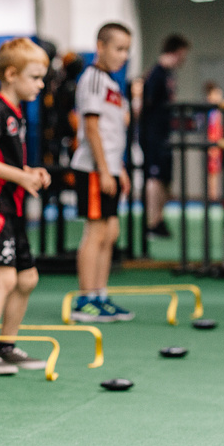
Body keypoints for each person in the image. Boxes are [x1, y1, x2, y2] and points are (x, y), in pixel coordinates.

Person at [0, 37, 51, 375]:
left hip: (10, 206)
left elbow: (5, 160)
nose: (41, 85)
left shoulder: (17, 114)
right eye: (35, 77)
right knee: (4, 280)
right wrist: (19, 176)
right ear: (11, 74)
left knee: (27, 279)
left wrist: (29, 173)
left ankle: (7, 345)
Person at [69, 22, 135, 323]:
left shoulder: (111, 83)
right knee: (95, 233)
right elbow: (92, 129)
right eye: (118, 48)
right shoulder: (93, 79)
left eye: (126, 50)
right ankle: (84, 301)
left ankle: (100, 295)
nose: (123, 55)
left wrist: (119, 169)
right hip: (93, 169)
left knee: (110, 232)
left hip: (109, 168)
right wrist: (105, 171)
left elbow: (113, 133)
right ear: (101, 46)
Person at [140, 33, 190, 239]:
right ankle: (152, 223)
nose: (184, 60)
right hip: (153, 135)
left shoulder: (169, 74)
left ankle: (158, 219)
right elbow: (145, 103)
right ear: (177, 52)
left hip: (163, 135)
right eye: (183, 55)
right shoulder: (157, 74)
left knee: (165, 180)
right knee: (155, 178)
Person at [203, 81, 224, 202]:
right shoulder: (210, 112)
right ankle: (213, 197)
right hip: (213, 145)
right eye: (216, 94)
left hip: (218, 144)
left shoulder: (218, 111)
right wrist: (212, 147)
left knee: (217, 172)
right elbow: (210, 130)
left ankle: (215, 195)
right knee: (213, 173)